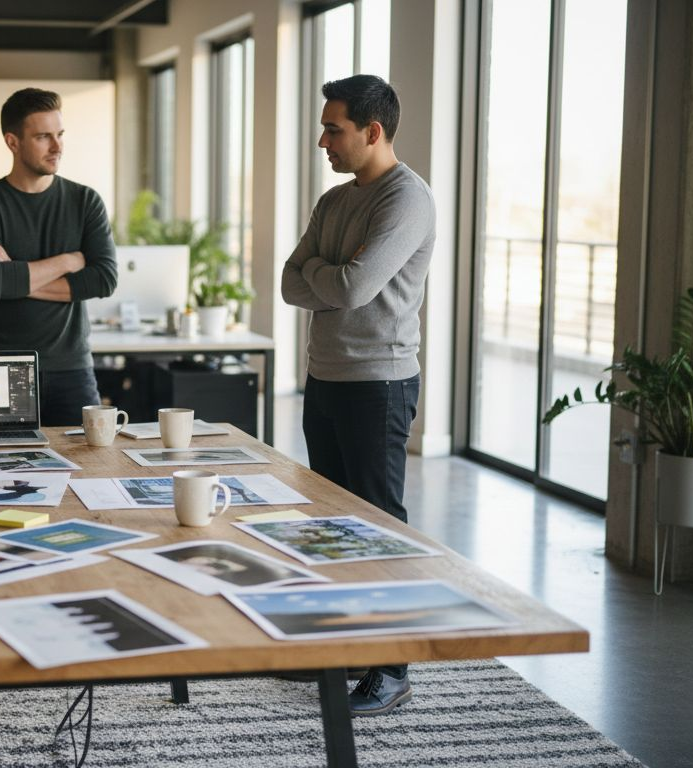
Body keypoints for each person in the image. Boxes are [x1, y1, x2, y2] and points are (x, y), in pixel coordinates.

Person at [280, 74, 435, 716]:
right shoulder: (335, 200)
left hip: (380, 384)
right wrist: (333, 275)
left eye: (333, 128)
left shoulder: (407, 200)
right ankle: (343, 644)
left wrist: (332, 277)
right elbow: (292, 282)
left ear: (372, 131)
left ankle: (392, 666)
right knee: (329, 524)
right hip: (327, 376)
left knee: (377, 525)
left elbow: (352, 290)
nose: (323, 139)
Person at [0, 87, 118, 426]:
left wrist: (15, 278)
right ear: (12, 142)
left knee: (89, 470)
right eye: (44, 137)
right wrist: (68, 261)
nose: (58, 147)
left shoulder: (85, 201)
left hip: (72, 369)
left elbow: (103, 279)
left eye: (60, 134)